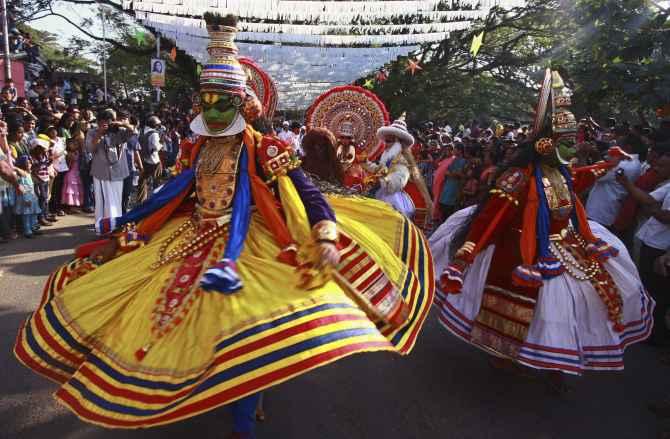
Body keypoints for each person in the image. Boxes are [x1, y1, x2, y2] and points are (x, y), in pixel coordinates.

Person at [14, 14, 433, 438]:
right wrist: (130, 225)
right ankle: (193, 390)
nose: (211, 110)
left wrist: (324, 233)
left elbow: (310, 197)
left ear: (240, 105)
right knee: (171, 319)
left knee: (244, 327)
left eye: (221, 102)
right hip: (191, 234)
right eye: (206, 101)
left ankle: (243, 422)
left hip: (249, 242)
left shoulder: (265, 147)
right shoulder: (196, 147)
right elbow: (174, 192)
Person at [430, 70, 652, 389]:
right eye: (566, 142)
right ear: (547, 144)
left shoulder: (560, 173)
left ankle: (556, 360)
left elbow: (579, 179)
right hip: (522, 254)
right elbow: (489, 219)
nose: (574, 148)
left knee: (581, 303)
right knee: (543, 310)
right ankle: (508, 355)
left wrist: (606, 165)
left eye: (573, 141)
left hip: (565, 246)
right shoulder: (517, 178)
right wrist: (464, 257)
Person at [616, 143, 670, 346]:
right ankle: (647, 328)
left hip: (661, 248)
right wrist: (627, 185)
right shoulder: (667, 185)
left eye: (663, 166)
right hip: (650, 241)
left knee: (658, 292)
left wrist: (653, 210)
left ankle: (656, 336)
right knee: (647, 286)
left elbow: (665, 216)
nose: (657, 168)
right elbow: (648, 200)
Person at [85, 108, 135, 228]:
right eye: (102, 122)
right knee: (101, 201)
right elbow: (90, 149)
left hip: (118, 171)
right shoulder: (92, 132)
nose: (106, 125)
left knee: (116, 200)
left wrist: (122, 124)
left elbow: (134, 132)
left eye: (109, 121)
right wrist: (99, 134)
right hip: (100, 172)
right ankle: (102, 226)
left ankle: (114, 225)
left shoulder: (119, 131)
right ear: (98, 122)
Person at [586, 134, 643, 230]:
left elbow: (595, 174)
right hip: (605, 210)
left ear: (628, 148)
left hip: (600, 212)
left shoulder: (625, 165)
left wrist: (589, 154)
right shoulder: (634, 163)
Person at [13, 155, 42, 238]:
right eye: (28, 163)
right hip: (25, 197)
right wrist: (26, 199)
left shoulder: (28, 173)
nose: (30, 164)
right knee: (26, 215)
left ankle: (33, 228)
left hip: (32, 197)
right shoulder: (21, 175)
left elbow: (31, 186)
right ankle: (27, 231)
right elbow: (22, 188)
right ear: (23, 164)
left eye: (30, 162)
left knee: (33, 213)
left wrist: (35, 195)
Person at [137, 115, 163, 203]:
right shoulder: (154, 134)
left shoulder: (142, 132)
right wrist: (161, 145)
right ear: (154, 125)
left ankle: (141, 200)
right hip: (154, 161)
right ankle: (157, 199)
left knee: (142, 181)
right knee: (157, 180)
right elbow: (156, 147)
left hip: (144, 160)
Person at [60, 137, 84, 212]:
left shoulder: (78, 152)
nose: (75, 145)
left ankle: (75, 205)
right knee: (71, 190)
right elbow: (68, 164)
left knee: (76, 190)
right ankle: (70, 206)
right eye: (73, 144)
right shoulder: (68, 154)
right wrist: (71, 159)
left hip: (77, 173)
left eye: (76, 144)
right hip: (71, 173)